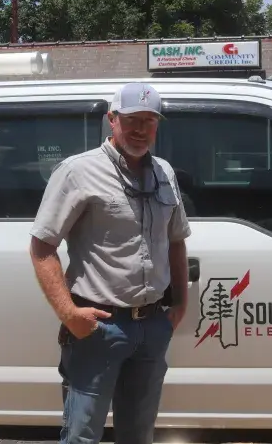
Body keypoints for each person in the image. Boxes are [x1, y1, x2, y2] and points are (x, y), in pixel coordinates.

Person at [29, 81, 192, 444]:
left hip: (153, 325)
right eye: (132, 119)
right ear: (112, 119)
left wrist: (180, 303)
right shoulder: (78, 171)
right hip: (99, 328)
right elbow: (42, 246)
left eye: (149, 121)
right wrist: (69, 314)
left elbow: (176, 240)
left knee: (139, 435)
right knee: (82, 435)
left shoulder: (164, 173)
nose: (140, 129)